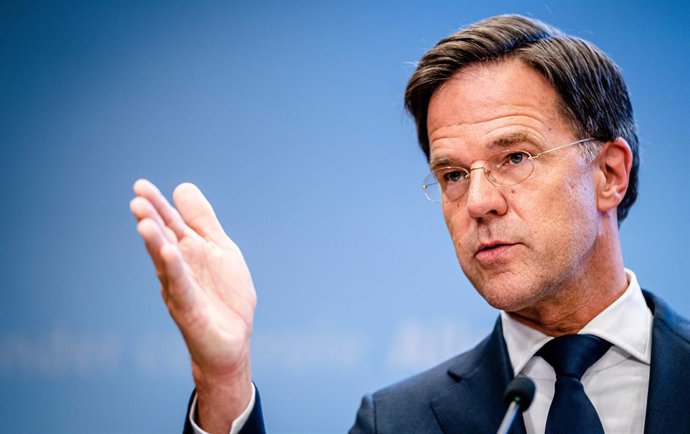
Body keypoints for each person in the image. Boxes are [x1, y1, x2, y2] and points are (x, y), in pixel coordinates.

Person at [130, 14, 690, 434]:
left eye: (514, 158)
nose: (478, 202)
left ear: (609, 174)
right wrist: (223, 382)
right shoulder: (397, 423)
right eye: (451, 174)